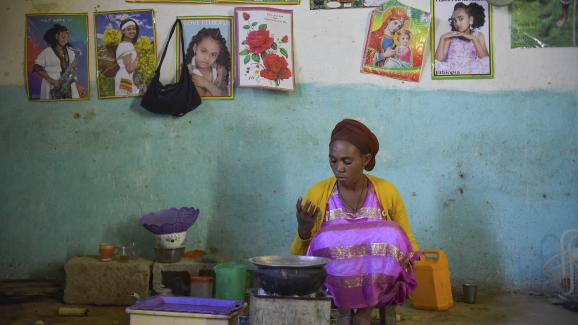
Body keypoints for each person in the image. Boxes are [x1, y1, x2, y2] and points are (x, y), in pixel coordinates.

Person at [290, 119, 420, 325]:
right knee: (325, 238)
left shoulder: (386, 191)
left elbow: (405, 241)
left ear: (366, 160)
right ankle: (344, 308)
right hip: (330, 285)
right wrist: (304, 232)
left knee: (391, 233)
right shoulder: (318, 193)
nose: (338, 168)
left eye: (347, 161)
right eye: (333, 161)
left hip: (377, 285)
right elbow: (301, 255)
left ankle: (365, 310)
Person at [434, 2, 490, 75]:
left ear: (471, 20)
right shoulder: (450, 37)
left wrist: (473, 39)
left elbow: (485, 60)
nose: (457, 23)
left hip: (470, 71)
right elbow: (438, 61)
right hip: (452, 71)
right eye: (454, 20)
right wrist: (442, 38)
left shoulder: (478, 36)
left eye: (461, 19)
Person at [33, 24, 80, 100]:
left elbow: (72, 69)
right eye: (63, 37)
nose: (65, 40)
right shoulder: (47, 51)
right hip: (51, 84)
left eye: (67, 38)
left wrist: (73, 70)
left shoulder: (70, 52)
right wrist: (52, 81)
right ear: (56, 36)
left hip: (66, 84)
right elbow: (37, 67)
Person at [185, 28, 230, 97]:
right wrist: (214, 88)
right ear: (195, 48)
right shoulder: (186, 70)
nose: (207, 58)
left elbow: (225, 96)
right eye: (203, 51)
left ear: (217, 56)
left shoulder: (219, 71)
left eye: (213, 54)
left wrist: (206, 84)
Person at [115, 18, 140, 96]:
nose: (132, 31)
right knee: (126, 101)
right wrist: (138, 55)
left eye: (134, 29)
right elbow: (129, 69)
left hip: (125, 77)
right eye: (129, 29)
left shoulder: (125, 44)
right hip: (125, 78)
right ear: (123, 31)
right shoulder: (126, 46)